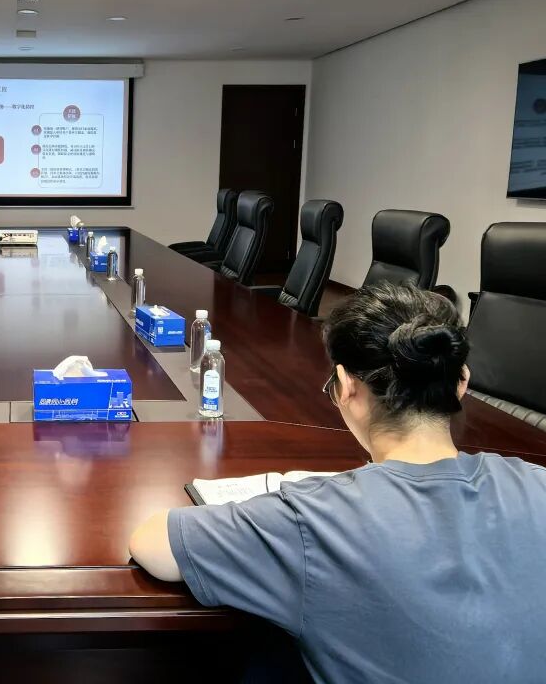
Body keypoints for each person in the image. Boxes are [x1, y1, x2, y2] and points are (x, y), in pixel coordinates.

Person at [129, 282, 546, 683]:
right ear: (462, 381)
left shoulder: (314, 519)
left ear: (346, 386)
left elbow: (152, 544)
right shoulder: (537, 483)